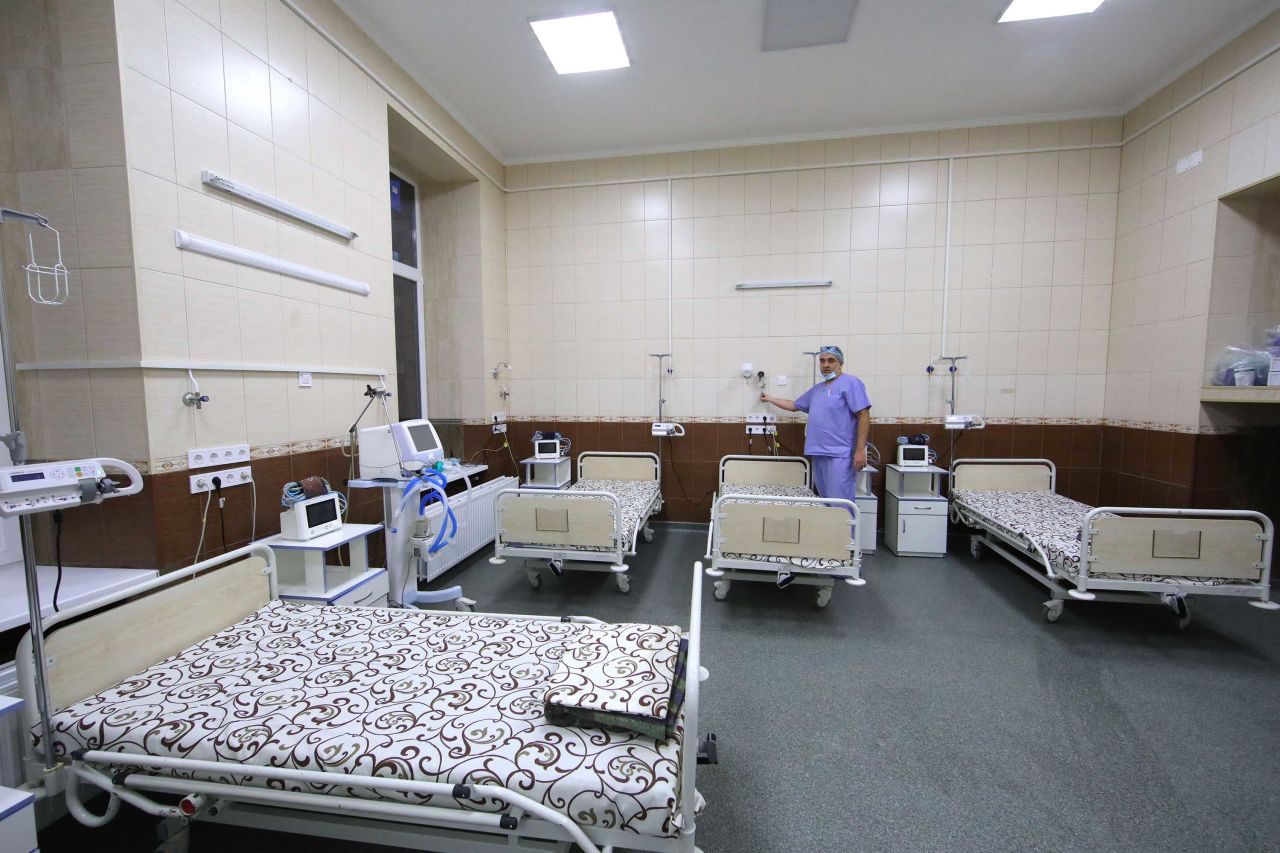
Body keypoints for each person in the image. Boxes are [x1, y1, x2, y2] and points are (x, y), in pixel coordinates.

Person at [760, 345, 871, 586]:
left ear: (840, 363)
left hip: (840, 454)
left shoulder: (851, 384)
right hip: (819, 453)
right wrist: (769, 398)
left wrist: (860, 450)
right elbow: (794, 405)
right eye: (822, 361)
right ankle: (831, 550)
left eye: (831, 360)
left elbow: (863, 415)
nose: (825, 365)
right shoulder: (818, 390)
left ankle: (848, 555)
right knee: (827, 505)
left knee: (841, 504)